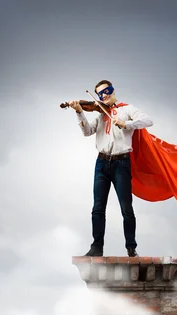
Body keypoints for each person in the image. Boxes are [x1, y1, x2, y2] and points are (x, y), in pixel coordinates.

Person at [67, 80, 153, 257]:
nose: (104, 96)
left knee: (126, 208)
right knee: (98, 207)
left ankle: (131, 248)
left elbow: (148, 120)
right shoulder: (100, 115)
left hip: (121, 163)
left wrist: (126, 124)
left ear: (113, 91)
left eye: (107, 91)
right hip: (101, 163)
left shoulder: (126, 109)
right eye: (100, 94)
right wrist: (79, 113)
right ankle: (96, 247)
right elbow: (87, 132)